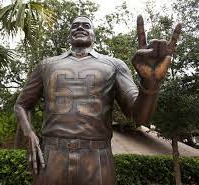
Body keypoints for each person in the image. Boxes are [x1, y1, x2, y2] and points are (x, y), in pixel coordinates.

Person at [14, 15, 181, 185]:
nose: (80, 28)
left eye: (86, 25)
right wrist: (30, 135)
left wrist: (150, 84)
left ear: (94, 34)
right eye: (75, 25)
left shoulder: (114, 65)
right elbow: (22, 104)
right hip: (53, 155)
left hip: (98, 158)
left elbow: (139, 117)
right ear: (69, 35)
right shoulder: (46, 65)